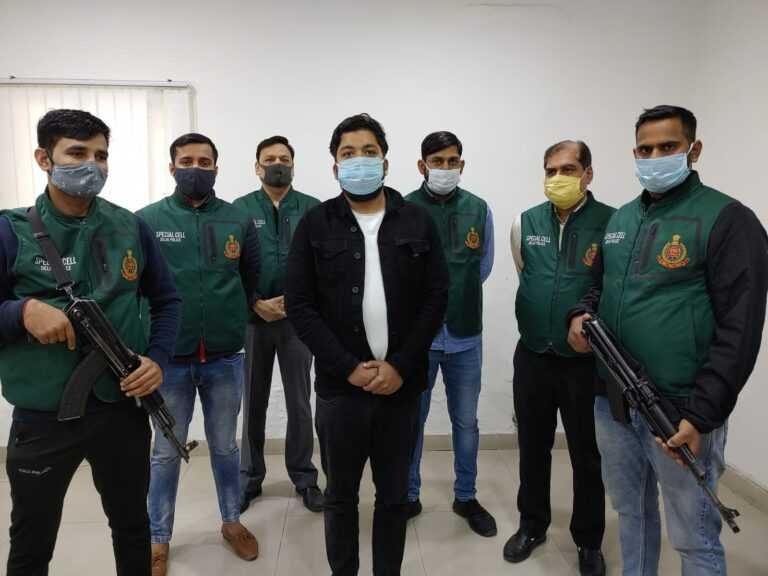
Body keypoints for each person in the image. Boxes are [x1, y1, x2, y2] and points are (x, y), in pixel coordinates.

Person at [567, 105, 768, 575]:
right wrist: (579, 314)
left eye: (668, 147)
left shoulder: (729, 219)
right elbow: (598, 287)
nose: (655, 157)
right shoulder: (620, 219)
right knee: (632, 516)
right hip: (614, 401)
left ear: (693, 150)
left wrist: (702, 414)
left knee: (693, 537)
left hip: (680, 410)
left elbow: (741, 329)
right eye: (645, 149)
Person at [0, 108, 181, 576]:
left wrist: (156, 359)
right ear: (44, 158)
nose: (92, 165)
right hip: (43, 415)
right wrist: (20, 312)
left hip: (121, 407)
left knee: (132, 526)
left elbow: (166, 300)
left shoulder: (130, 226)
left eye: (101, 155)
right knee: (32, 540)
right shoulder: (9, 231)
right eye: (77, 153)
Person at [285, 113, 449, 575]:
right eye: (348, 153)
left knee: (394, 497)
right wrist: (348, 367)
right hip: (341, 391)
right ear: (335, 167)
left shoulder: (417, 220)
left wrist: (400, 365)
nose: (359, 160)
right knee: (340, 496)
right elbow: (300, 305)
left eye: (369, 152)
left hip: (401, 388)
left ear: (385, 162)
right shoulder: (315, 224)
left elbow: (436, 297)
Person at [137, 133, 261, 575]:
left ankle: (231, 521)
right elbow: (137, 287)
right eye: (186, 160)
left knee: (225, 447)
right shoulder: (147, 220)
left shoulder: (237, 219)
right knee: (165, 453)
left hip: (225, 357)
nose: (196, 168)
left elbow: (250, 278)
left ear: (216, 168)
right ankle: (157, 539)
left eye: (204, 162)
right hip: (168, 360)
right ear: (171, 167)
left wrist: (231, 318)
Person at [506, 140, 612, 574]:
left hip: (585, 361)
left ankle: (588, 540)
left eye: (568, 169)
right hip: (533, 353)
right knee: (532, 446)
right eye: (551, 170)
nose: (558, 178)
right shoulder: (525, 222)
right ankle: (532, 525)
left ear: (588, 174)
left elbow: (611, 286)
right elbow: (525, 273)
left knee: (587, 453)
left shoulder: (612, 223)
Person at [404, 131, 497, 537]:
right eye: (437, 161)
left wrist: (455, 294)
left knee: (466, 422)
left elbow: (483, 267)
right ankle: (408, 495)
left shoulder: (479, 209)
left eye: (452, 161)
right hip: (418, 338)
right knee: (412, 421)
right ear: (422, 165)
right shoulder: (404, 208)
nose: (445, 168)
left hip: (465, 335)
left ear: (462, 164)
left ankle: (466, 496)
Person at [234, 135, 323, 514]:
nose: (277, 164)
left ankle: (304, 477)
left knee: (299, 402)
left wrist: (295, 304)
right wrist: (254, 302)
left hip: (298, 322)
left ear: (293, 165)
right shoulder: (238, 210)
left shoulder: (313, 209)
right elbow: (230, 266)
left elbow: (323, 265)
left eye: (284, 159)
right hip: (253, 321)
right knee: (252, 400)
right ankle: (248, 478)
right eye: (269, 159)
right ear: (257, 167)